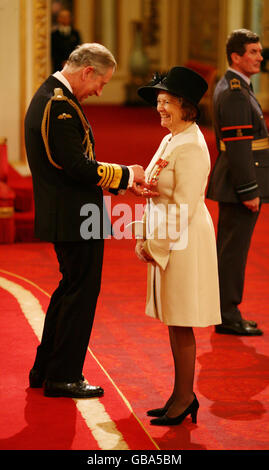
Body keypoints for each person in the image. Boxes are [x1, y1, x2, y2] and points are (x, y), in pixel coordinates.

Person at [25, 42, 158, 399]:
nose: (100, 91)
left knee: (70, 289)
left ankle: (46, 369)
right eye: (101, 82)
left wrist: (122, 184)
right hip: (74, 216)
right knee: (80, 294)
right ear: (87, 71)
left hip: (72, 213)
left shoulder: (58, 99)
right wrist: (127, 175)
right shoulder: (59, 106)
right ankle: (63, 376)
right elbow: (77, 166)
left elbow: (78, 164)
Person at [135, 67, 221, 426]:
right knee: (174, 319)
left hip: (183, 240)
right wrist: (140, 186)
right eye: (159, 102)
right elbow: (158, 179)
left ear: (187, 107)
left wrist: (153, 244)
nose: (160, 108)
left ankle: (186, 397)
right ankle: (178, 394)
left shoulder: (192, 145)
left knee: (181, 319)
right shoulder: (172, 137)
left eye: (167, 102)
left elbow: (185, 206)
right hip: (170, 235)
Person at [207, 29, 269, 336]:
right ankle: (227, 313)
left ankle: (226, 309)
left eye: (259, 51)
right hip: (238, 185)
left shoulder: (239, 87)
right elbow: (239, 146)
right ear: (236, 56)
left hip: (236, 183)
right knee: (232, 251)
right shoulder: (233, 92)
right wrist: (249, 190)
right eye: (253, 52)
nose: (260, 56)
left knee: (230, 249)